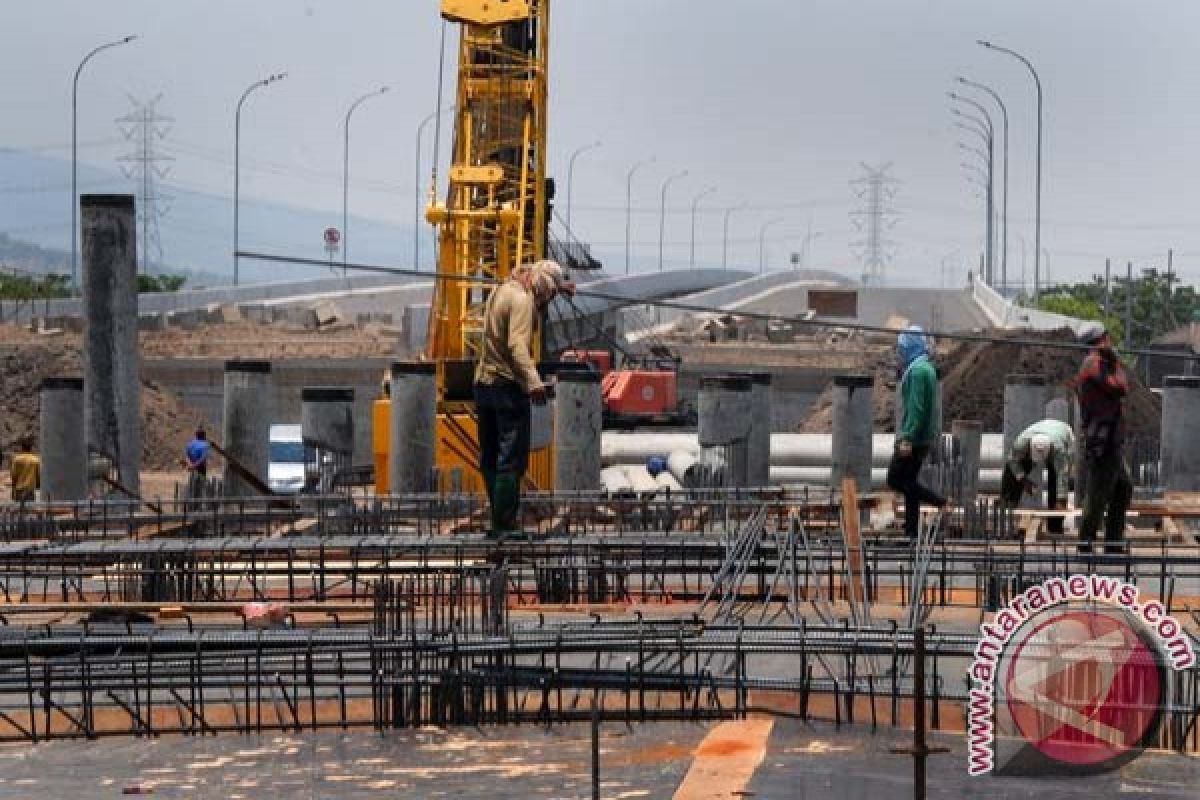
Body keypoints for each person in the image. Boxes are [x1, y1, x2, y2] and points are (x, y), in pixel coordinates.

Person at [474, 260, 575, 539]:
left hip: (484, 385)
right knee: (512, 459)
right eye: (548, 293)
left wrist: (559, 287)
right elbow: (517, 347)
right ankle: (505, 525)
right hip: (508, 388)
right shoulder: (522, 301)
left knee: (491, 456)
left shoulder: (503, 289)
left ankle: (498, 520)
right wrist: (534, 383)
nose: (545, 299)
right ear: (541, 285)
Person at [1072, 322, 1132, 554]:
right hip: (1103, 441)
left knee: (1122, 488)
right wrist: (1116, 362)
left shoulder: (1099, 363)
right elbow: (1120, 387)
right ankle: (1086, 544)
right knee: (1098, 494)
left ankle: (1113, 542)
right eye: (1108, 337)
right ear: (1102, 339)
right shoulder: (1093, 363)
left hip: (1109, 438)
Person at [886, 325, 945, 542]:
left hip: (915, 438)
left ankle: (939, 501)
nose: (900, 352)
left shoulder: (919, 372)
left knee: (895, 479)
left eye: (902, 347)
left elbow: (917, 408)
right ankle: (911, 531)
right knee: (909, 482)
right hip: (922, 437)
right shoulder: (924, 368)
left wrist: (907, 438)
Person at [1002, 418, 1075, 531]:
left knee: (1055, 480)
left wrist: (1061, 498)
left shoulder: (1059, 451)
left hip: (1063, 434)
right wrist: (1023, 480)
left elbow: (1062, 475)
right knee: (1011, 473)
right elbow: (1012, 461)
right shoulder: (1021, 443)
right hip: (1043, 431)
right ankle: (1006, 510)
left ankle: (1055, 526)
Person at [10, 437, 40, 504]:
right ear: (31, 448)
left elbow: (14, 476)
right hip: (30, 489)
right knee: (29, 510)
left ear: (22, 448)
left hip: (19, 489)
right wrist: (37, 486)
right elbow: (38, 475)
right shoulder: (35, 460)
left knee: (19, 510)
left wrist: (13, 489)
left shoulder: (17, 459)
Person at [184, 427, 211, 499]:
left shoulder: (190, 444)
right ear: (204, 436)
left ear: (196, 435)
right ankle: (198, 502)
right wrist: (195, 465)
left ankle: (191, 501)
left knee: (192, 484)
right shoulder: (205, 445)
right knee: (201, 485)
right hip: (201, 468)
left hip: (192, 467)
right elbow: (203, 458)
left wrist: (190, 464)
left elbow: (187, 456)